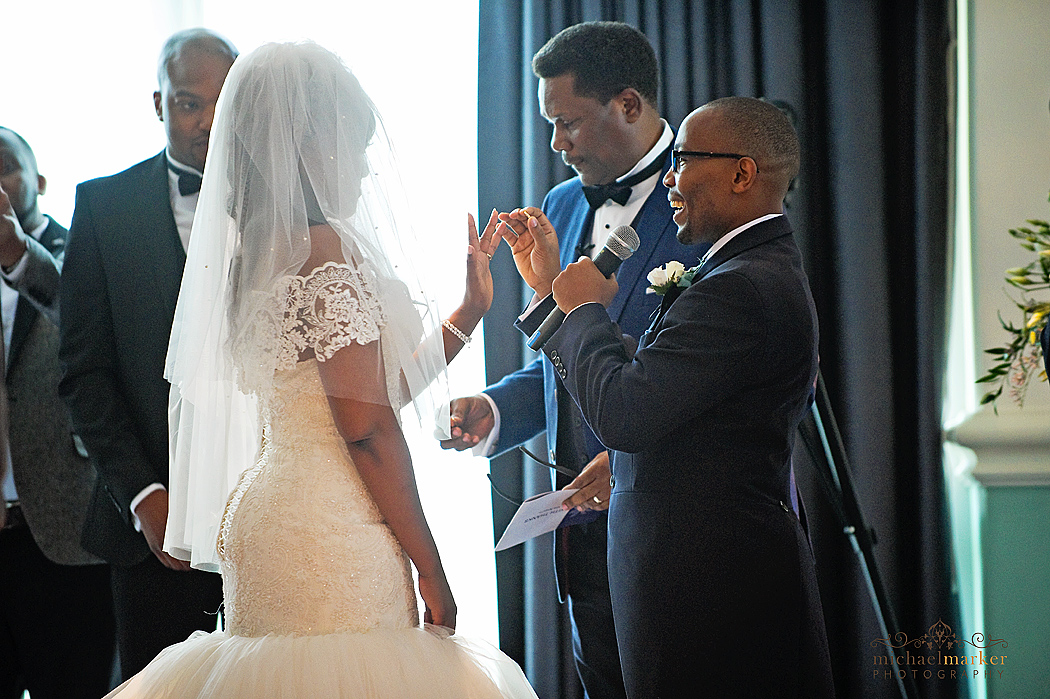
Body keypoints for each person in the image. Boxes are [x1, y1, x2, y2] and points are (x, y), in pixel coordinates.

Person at [103, 41, 537, 698]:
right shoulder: (325, 252)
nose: (364, 170)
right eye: (354, 148)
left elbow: (371, 394)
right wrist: (432, 565)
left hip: (271, 518)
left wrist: (470, 310)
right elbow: (366, 427)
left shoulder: (254, 250)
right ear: (311, 150)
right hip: (328, 533)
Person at [513, 97, 834, 698]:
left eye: (684, 160)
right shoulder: (738, 273)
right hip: (692, 582)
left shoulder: (744, 286)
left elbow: (626, 414)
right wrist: (552, 294)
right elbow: (667, 400)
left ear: (742, 173)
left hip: (711, 590)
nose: (669, 179)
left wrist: (582, 307)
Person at [439, 22, 706, 698]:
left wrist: (627, 459)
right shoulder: (561, 205)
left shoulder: (706, 206)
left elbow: (719, 380)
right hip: (582, 537)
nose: (555, 145)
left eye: (567, 124)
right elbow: (569, 360)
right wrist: (498, 408)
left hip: (682, 534)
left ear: (628, 104)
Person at [58, 29, 237, 679]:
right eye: (190, 103)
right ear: (158, 105)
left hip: (269, 513)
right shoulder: (102, 207)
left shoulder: (287, 206)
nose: (210, 122)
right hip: (153, 532)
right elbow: (85, 373)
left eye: (226, 101)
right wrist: (142, 493)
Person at [0, 128, 116, 698]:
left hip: (65, 532)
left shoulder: (82, 255)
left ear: (39, 180)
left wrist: (16, 253)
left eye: (4, 166)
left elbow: (87, 326)